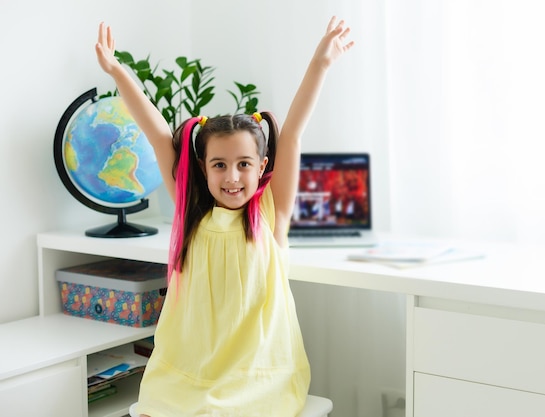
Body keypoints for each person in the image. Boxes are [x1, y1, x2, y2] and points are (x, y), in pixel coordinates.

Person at [96, 16, 354, 417]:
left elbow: (295, 132)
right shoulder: (192, 214)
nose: (232, 177)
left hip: (258, 373)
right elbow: (156, 132)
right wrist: (116, 71)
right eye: (219, 164)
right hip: (187, 369)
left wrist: (321, 63)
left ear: (262, 164)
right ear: (201, 167)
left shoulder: (272, 212)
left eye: (244, 164)